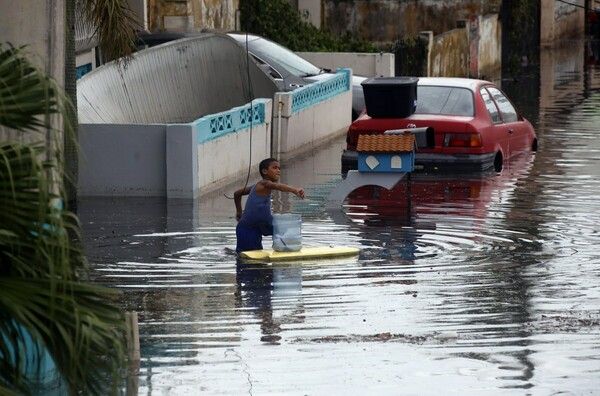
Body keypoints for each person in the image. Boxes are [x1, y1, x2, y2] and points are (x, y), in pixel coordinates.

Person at [234, 158, 305, 253]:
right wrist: (294, 190)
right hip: (247, 229)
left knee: (257, 254)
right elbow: (277, 186)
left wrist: (239, 212)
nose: (278, 171)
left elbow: (237, 193)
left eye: (279, 168)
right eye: (275, 168)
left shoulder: (256, 186)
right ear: (265, 171)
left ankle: (286, 248)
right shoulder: (264, 184)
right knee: (246, 259)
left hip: (257, 228)